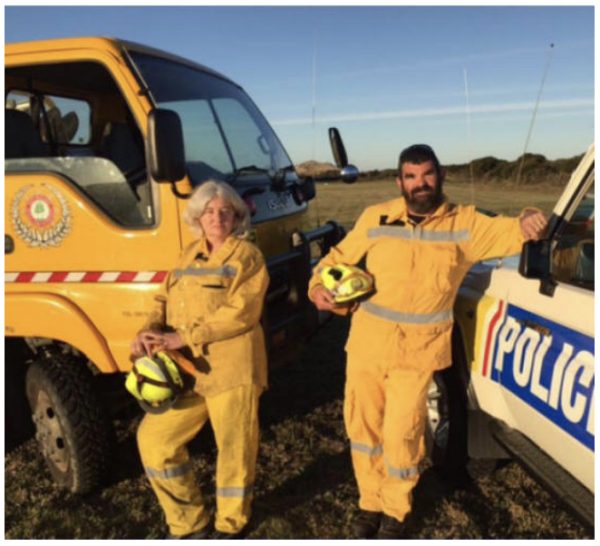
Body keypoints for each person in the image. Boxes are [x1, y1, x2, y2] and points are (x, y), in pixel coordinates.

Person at [309, 144, 548, 539]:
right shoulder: (376, 216)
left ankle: (396, 511)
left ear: (441, 175)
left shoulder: (465, 224)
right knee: (363, 429)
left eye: (427, 174)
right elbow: (336, 258)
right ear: (399, 181)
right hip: (367, 346)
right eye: (411, 176)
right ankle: (369, 504)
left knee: (402, 433)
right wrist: (318, 286)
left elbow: (515, 230)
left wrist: (527, 216)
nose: (420, 184)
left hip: (418, 353)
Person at [131, 179, 269, 539]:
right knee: (155, 441)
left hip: (233, 370)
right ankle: (188, 523)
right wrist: (147, 330)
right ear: (198, 216)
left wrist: (183, 337)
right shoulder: (187, 254)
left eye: (225, 211)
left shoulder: (246, 257)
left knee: (235, 450)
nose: (217, 217)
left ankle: (230, 525)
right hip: (186, 371)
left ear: (237, 216)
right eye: (209, 211)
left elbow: (241, 313)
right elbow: (162, 298)